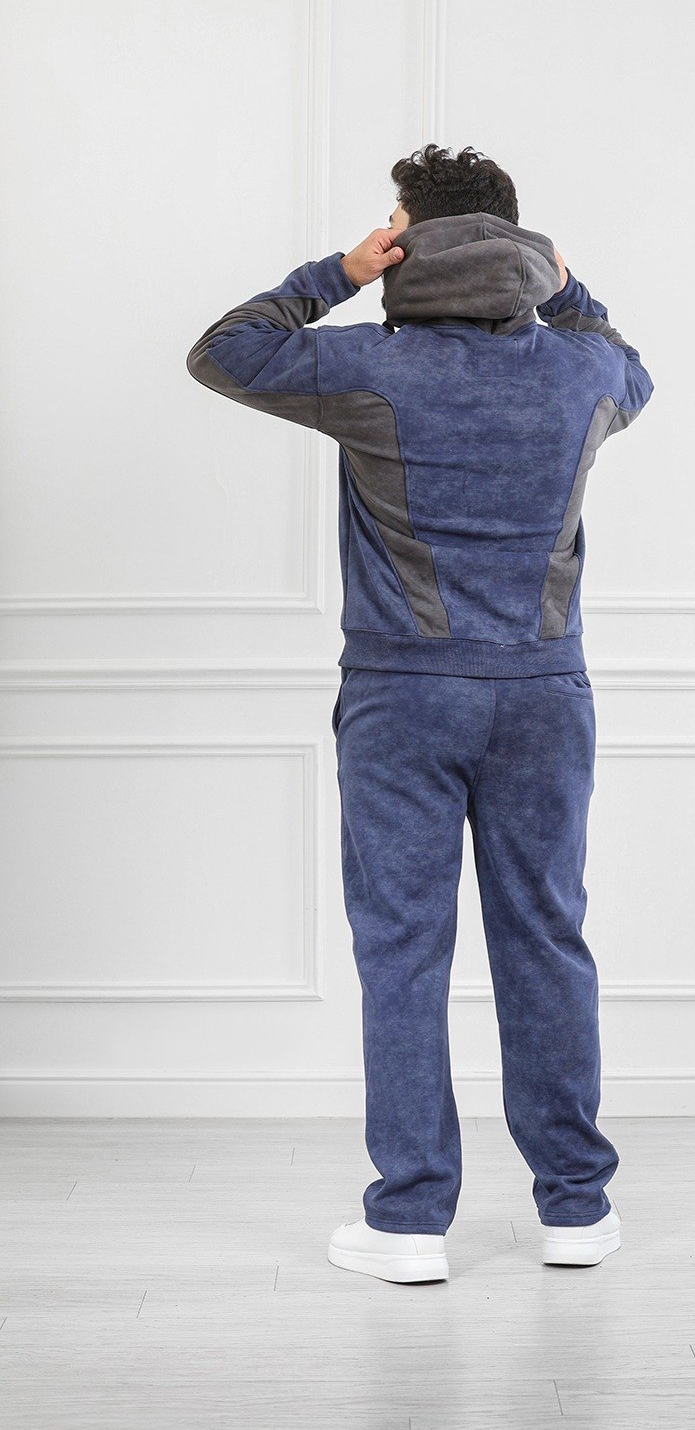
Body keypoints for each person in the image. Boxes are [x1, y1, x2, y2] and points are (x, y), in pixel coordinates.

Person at [186, 143, 654, 1285]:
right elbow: (630, 362)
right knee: (546, 936)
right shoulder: (583, 373)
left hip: (401, 696)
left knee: (403, 950)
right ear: (518, 246)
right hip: (543, 693)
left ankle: (407, 1222)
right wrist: (564, 282)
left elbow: (223, 350)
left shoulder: (369, 367)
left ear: (408, 238)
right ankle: (576, 1209)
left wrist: (340, 273)